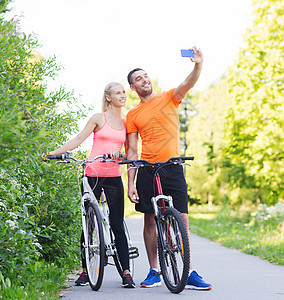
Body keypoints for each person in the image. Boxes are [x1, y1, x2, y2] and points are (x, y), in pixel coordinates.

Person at [125, 47, 211, 290]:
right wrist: (130, 183)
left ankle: (189, 269)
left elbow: (188, 82)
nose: (144, 80)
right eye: (138, 79)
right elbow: (132, 150)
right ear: (133, 88)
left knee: (182, 218)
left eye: (145, 76)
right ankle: (154, 270)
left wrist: (198, 64)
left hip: (173, 166)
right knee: (150, 220)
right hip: (147, 169)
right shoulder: (133, 114)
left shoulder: (169, 97)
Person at [42, 82, 135, 288]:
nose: (123, 95)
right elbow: (78, 138)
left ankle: (126, 273)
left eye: (123, 92)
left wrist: (118, 156)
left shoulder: (126, 122)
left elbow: (130, 154)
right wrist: (54, 154)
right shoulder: (98, 118)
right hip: (92, 173)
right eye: (118, 92)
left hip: (113, 176)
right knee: (89, 223)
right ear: (108, 97)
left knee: (117, 223)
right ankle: (85, 271)